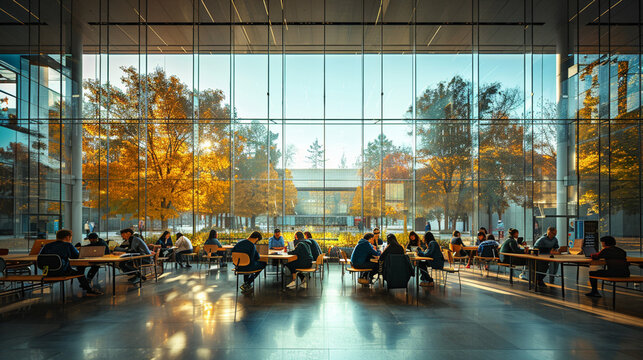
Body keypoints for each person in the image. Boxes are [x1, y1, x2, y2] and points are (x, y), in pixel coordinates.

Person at [40, 230, 103, 296]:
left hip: (48, 273)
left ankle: (88, 289)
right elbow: (77, 256)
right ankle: (89, 291)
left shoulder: (47, 246)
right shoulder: (67, 245)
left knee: (78, 270)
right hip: (62, 272)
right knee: (80, 273)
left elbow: (41, 257)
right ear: (68, 237)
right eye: (71, 237)